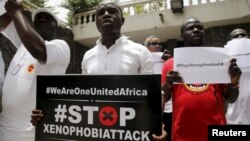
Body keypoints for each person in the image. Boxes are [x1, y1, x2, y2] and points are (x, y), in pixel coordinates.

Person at [32, 1, 167, 140]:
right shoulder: (88, 56)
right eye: (101, 13)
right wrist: (46, 114)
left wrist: (157, 124)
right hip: (95, 132)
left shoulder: (141, 52)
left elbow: (152, 96)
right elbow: (83, 96)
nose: (106, 15)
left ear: (123, 20)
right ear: (96, 22)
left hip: (130, 131)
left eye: (112, 11)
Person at [161, 17, 242, 141]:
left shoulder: (220, 60)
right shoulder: (170, 63)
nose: (196, 30)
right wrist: (167, 85)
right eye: (190, 28)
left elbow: (231, 98)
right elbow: (164, 97)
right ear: (182, 35)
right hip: (183, 133)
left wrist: (233, 82)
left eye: (199, 28)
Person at [0, 1, 70, 141]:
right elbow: (3, 22)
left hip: (31, 133)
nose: (42, 19)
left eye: (47, 18)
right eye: (38, 18)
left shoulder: (61, 46)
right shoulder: (23, 44)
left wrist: (17, 12)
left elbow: (39, 51)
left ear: (56, 26)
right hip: (5, 128)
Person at [144, 35, 172, 141]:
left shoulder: (167, 59)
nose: (157, 46)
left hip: (168, 104)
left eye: (159, 44)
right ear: (146, 47)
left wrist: (169, 61)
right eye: (154, 43)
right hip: (151, 104)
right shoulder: (143, 60)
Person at [225, 28, 250, 124]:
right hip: (236, 120)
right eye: (235, 36)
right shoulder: (225, 63)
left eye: (243, 35)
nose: (240, 37)